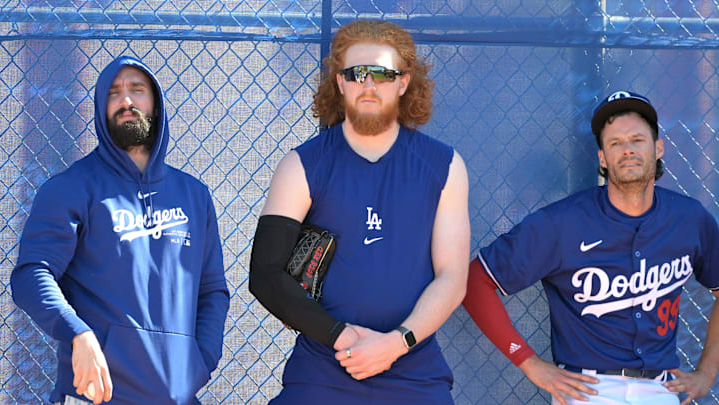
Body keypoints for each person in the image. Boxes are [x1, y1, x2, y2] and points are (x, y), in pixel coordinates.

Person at [249, 20, 470, 404]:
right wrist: (343, 336)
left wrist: (397, 343)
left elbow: (452, 278)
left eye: (383, 74)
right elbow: (264, 275)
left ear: (403, 82)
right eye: (356, 74)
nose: (369, 85)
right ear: (339, 83)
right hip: (323, 366)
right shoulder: (302, 164)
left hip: (413, 369)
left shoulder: (445, 165)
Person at [462, 90, 719, 405]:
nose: (627, 150)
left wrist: (706, 373)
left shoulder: (690, 219)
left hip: (662, 390)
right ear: (602, 158)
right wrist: (529, 363)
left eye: (637, 140)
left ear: (658, 148)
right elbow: (476, 280)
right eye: (615, 143)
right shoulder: (562, 223)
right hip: (587, 390)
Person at [11, 56, 230, 405]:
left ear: (155, 103)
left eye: (137, 90)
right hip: (96, 395)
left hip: (177, 398)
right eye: (114, 93)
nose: (126, 101)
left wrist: (200, 362)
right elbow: (31, 275)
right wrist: (77, 333)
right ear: (101, 107)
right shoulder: (72, 188)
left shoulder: (194, 195)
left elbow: (213, 290)